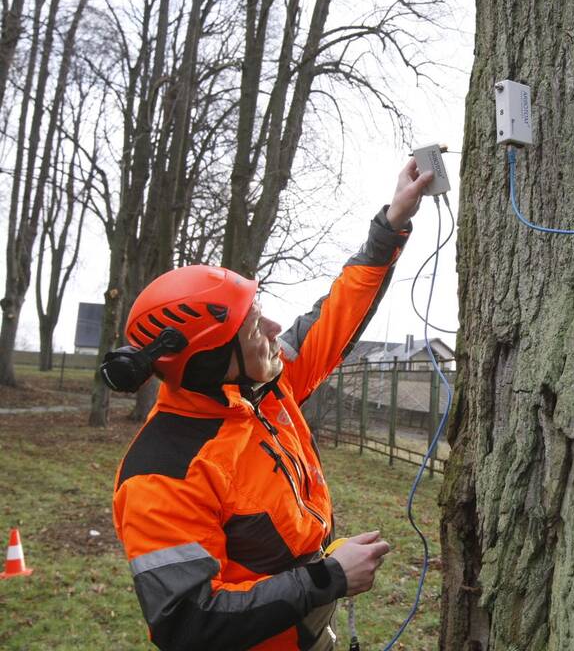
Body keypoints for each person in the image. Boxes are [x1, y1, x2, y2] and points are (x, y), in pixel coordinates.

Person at [108, 159, 432, 650]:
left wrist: (390, 226)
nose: (275, 330)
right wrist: (327, 578)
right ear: (214, 358)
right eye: (254, 325)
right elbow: (187, 624)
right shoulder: (161, 475)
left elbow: (334, 318)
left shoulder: (262, 387)